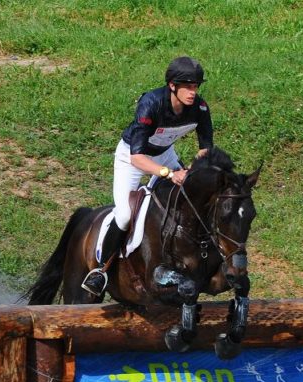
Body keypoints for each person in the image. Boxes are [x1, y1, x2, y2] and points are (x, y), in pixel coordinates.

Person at [82, 55, 215, 296]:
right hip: (132, 159)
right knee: (123, 215)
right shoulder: (151, 104)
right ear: (172, 86)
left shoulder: (200, 108)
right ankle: (101, 270)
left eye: (195, 86)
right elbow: (137, 158)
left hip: (165, 155)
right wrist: (169, 173)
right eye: (187, 86)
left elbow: (206, 148)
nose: (192, 92)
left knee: (189, 203)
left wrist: (192, 170)